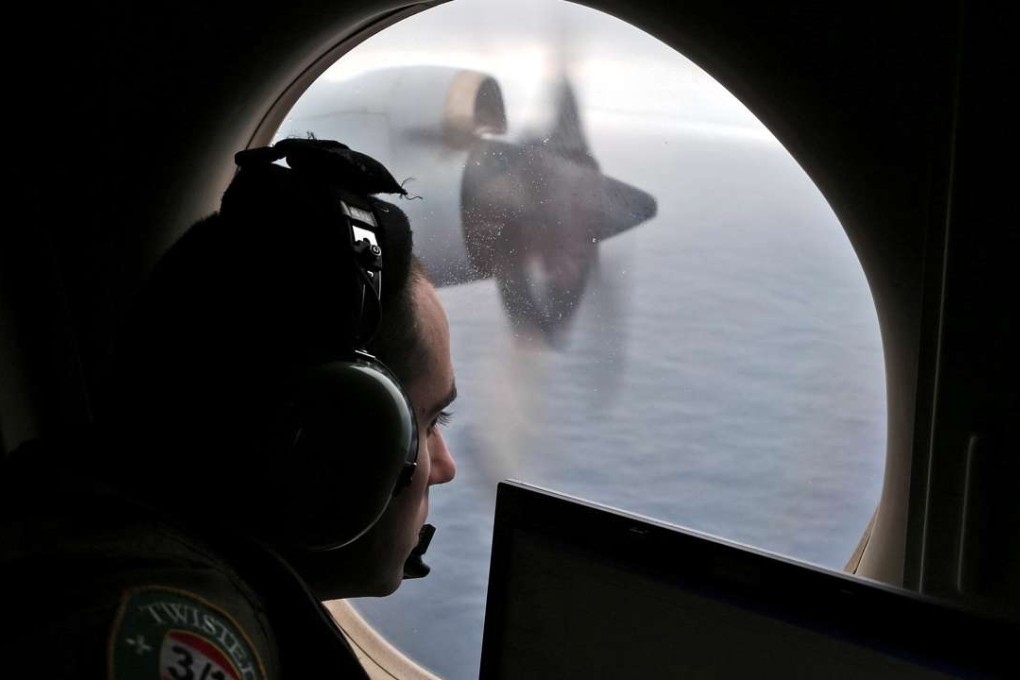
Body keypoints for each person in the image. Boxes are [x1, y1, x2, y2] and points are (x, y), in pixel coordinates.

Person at [1, 138, 457, 678]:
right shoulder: (179, 630)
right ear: (327, 444)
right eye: (427, 423)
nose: (445, 467)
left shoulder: (81, 521)